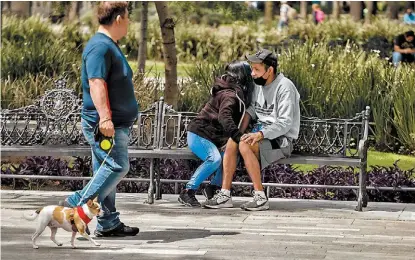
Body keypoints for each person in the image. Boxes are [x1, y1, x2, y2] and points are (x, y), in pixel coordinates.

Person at [60, 2, 140, 237]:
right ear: (118, 19)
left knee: (104, 170)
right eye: (128, 18)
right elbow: (96, 82)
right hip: (103, 124)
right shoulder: (100, 47)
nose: (129, 23)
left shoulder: (109, 46)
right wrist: (106, 119)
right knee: (117, 165)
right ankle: (78, 200)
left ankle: (108, 222)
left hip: (114, 123)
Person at [204, 49, 301, 211]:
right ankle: (225, 195)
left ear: (270, 70)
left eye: (257, 70)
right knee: (234, 142)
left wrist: (260, 134)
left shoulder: (285, 87)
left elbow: (285, 123)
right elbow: (252, 110)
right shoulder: (259, 84)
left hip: (281, 141)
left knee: (244, 145)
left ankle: (260, 197)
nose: (253, 74)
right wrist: (239, 134)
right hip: (260, 134)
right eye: (252, 69)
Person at [178, 61, 254, 207]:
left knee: (231, 157)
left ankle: (213, 188)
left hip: (211, 137)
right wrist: (237, 136)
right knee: (214, 159)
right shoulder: (230, 95)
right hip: (199, 135)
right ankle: (188, 191)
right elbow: (224, 117)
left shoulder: (232, 92)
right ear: (242, 79)